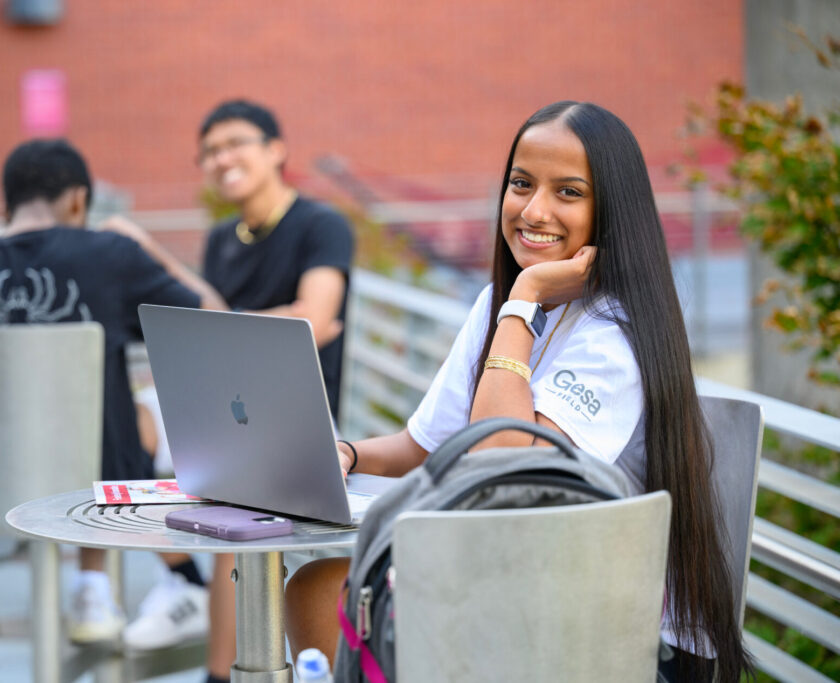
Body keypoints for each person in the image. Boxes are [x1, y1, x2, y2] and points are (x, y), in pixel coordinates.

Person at [282, 101, 752, 682]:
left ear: (612, 213)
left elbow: (505, 468)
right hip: (520, 584)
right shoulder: (500, 307)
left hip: (612, 638)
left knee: (330, 590)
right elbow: (423, 448)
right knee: (316, 585)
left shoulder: (613, 335)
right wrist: (345, 455)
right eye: (521, 184)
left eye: (569, 192)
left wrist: (525, 295)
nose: (534, 210)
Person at [0, 138, 226, 683]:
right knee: (133, 413)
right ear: (78, 201)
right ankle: (93, 589)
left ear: (6, 205)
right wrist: (146, 246)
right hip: (99, 504)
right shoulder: (114, 259)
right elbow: (216, 320)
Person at [117, 99, 354, 683]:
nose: (222, 159)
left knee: (238, 512)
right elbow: (216, 322)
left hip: (290, 412)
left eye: (235, 143)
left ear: (277, 149)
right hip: (225, 401)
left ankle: (222, 672)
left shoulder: (320, 225)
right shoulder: (225, 238)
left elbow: (315, 319)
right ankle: (183, 579)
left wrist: (237, 326)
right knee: (118, 424)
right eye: (210, 151)